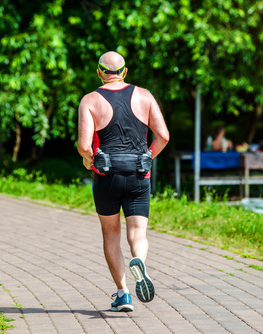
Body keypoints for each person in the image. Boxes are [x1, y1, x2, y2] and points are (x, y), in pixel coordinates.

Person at [77, 51, 169, 312]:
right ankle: (139, 260)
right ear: (125, 72)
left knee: (111, 233)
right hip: (139, 174)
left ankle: (123, 293)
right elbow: (163, 136)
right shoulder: (145, 96)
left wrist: (89, 161)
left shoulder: (90, 100)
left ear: (99, 73)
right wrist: (147, 157)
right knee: (138, 233)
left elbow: (85, 146)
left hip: (107, 176)